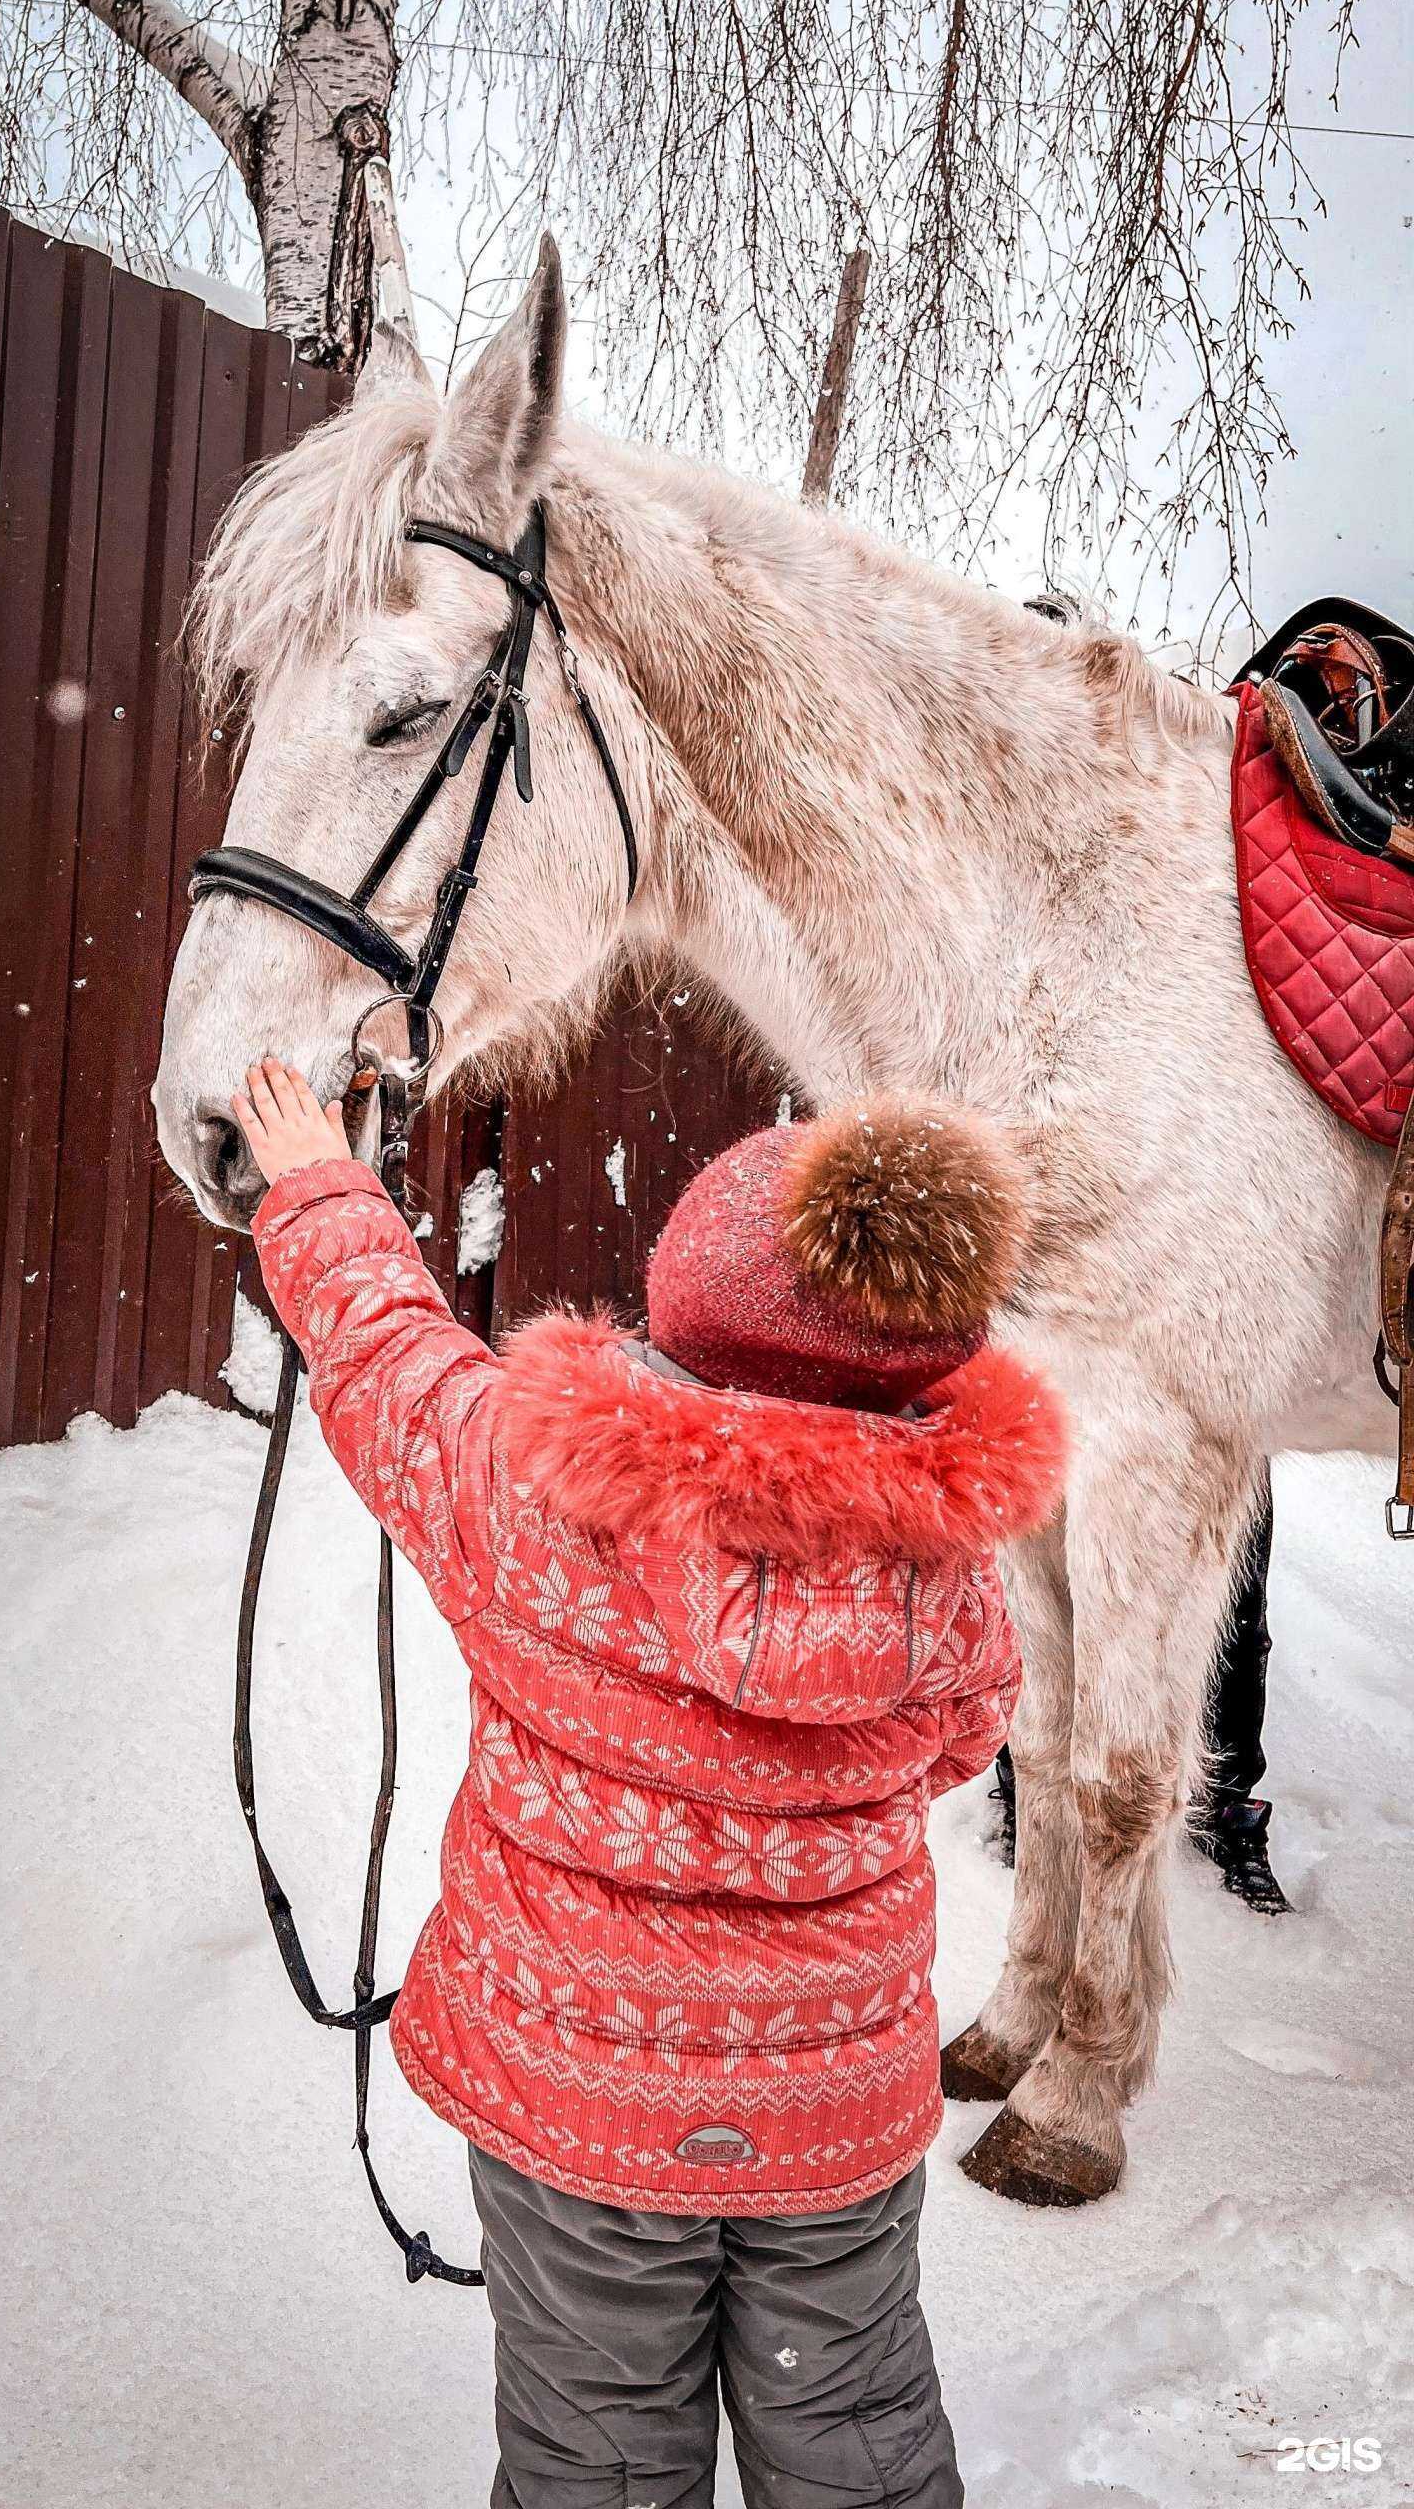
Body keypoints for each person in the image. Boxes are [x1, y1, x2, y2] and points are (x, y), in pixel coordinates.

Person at [234, 1059, 1067, 2509]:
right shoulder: (950, 1567)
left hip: (585, 2104)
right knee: (856, 2427)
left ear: (684, 1301)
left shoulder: (528, 1482)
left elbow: (385, 1357)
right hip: (832, 2101)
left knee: (600, 2454)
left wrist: (317, 1185)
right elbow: (963, 1739)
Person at [990, 1470, 1290, 1915]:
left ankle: (1225, 1800)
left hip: (1219, 1423)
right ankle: (1030, 1777)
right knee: (1051, 1592)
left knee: (1227, 1613)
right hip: (1077, 1414)